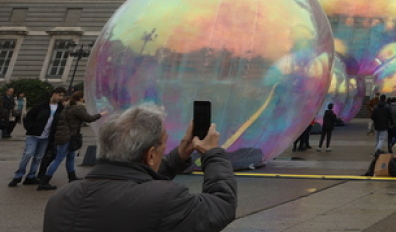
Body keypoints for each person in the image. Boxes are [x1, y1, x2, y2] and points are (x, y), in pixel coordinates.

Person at [43, 104, 237, 232]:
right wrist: (213, 154)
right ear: (151, 155)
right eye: (163, 145)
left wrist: (178, 156)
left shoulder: (61, 198)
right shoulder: (166, 199)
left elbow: (128, 181)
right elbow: (222, 204)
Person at [40, 90, 103, 190]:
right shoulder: (77, 108)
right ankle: (45, 181)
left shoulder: (69, 107)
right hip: (67, 136)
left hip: (67, 135)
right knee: (59, 158)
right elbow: (89, 118)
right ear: (81, 99)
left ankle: (72, 177)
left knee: (70, 157)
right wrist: (101, 114)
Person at [9, 87, 65, 187]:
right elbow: (29, 117)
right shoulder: (41, 106)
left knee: (38, 157)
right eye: (59, 95)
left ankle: (31, 176)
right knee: (28, 154)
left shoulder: (61, 109)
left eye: (62, 96)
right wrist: (30, 128)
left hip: (46, 137)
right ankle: (18, 176)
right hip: (34, 135)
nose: (60, 97)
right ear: (53, 94)